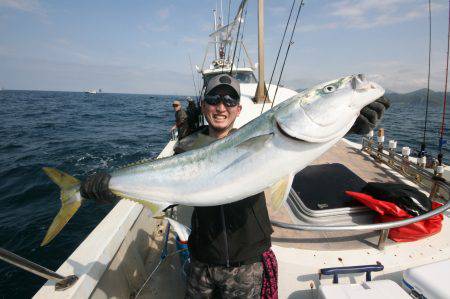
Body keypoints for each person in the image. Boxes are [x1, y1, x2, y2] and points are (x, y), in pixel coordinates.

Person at [80, 74, 390, 298]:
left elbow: (306, 147)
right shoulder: (188, 145)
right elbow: (165, 187)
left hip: (248, 260)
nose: (221, 105)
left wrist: (349, 124)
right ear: (204, 106)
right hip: (201, 258)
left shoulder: (273, 139)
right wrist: (111, 187)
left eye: (229, 99)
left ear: (238, 109)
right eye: (214, 99)